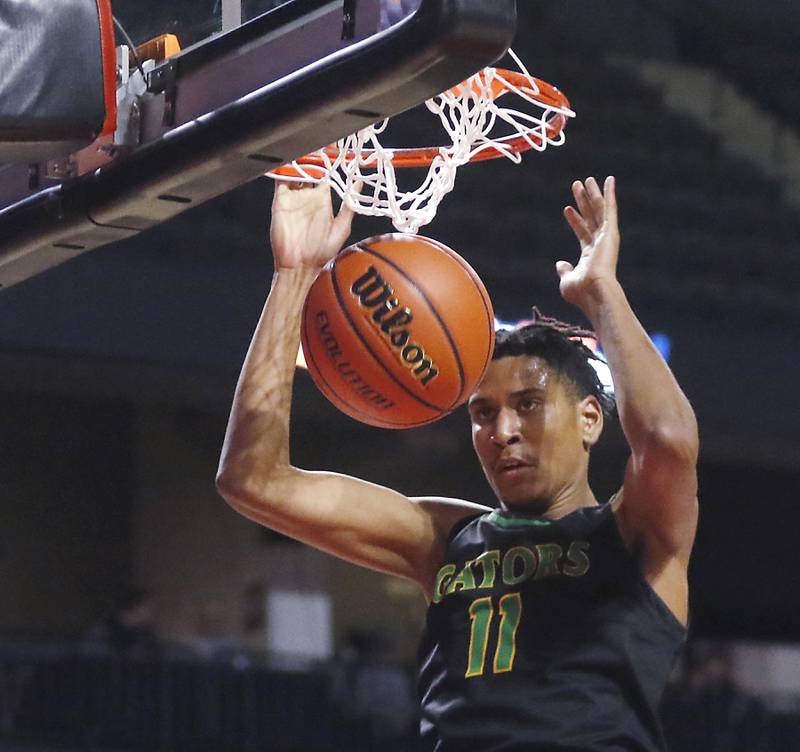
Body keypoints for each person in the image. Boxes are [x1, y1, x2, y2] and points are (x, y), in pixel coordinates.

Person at [216, 176, 699, 751]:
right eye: (482, 413)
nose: (503, 431)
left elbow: (667, 438)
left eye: (528, 405)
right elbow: (254, 480)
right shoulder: (446, 538)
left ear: (591, 419)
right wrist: (292, 277)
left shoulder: (633, 534)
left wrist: (602, 294)